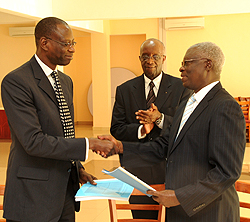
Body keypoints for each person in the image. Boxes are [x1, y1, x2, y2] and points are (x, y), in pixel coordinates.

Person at [99, 42, 246, 222]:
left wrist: (179, 197)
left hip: (209, 212)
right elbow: (163, 146)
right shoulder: (188, 104)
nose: (181, 68)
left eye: (187, 63)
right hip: (179, 210)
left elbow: (226, 172)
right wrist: (120, 147)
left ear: (208, 65)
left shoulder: (225, 106)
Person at [1, 17, 118, 222]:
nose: (72, 49)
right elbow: (33, 141)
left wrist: (77, 168)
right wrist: (89, 143)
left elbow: (64, 132)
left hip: (65, 192)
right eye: (66, 43)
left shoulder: (64, 81)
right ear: (44, 43)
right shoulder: (17, 81)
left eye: (73, 43)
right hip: (33, 196)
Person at [110, 38, 191, 219]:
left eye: (155, 56)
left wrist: (160, 118)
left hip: (171, 167)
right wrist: (141, 130)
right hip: (138, 168)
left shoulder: (182, 88)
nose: (150, 60)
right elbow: (116, 128)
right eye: (145, 56)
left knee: (175, 217)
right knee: (143, 217)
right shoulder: (124, 90)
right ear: (139, 58)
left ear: (163, 58)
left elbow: (187, 126)